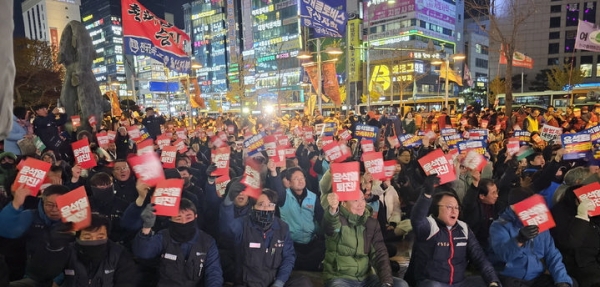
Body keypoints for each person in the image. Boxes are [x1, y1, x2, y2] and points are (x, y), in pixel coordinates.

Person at [407, 176, 500, 287]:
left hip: (459, 282)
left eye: (456, 208)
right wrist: (426, 194)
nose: (454, 211)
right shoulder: (429, 226)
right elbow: (417, 218)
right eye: (449, 207)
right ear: (437, 208)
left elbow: (480, 259)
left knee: (490, 282)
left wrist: (493, 281)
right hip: (434, 282)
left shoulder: (463, 228)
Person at [321, 184, 409, 287]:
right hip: (341, 278)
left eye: (362, 199)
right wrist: (333, 210)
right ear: (344, 203)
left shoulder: (371, 223)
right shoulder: (338, 220)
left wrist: (386, 282)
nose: (361, 204)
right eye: (355, 201)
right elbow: (330, 226)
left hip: (366, 278)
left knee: (401, 284)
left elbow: (380, 253)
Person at [222, 188, 312, 287]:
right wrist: (228, 200)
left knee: (303, 283)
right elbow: (227, 226)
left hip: (273, 282)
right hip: (247, 283)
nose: (266, 209)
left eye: (270, 205)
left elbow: (288, 257)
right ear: (253, 207)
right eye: (261, 204)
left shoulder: (282, 227)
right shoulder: (243, 224)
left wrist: (279, 282)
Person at [489, 187, 575, 287]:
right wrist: (519, 240)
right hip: (511, 276)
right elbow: (503, 255)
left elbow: (552, 253)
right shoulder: (499, 226)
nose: (533, 209)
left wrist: (562, 280)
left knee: (571, 282)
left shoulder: (539, 221)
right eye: (528, 205)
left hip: (536, 276)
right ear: (514, 206)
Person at [24, 214, 139, 287]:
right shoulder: (68, 250)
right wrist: (53, 248)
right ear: (78, 238)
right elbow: (40, 274)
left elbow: (127, 282)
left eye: (100, 237)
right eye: (88, 238)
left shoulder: (118, 254)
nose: (94, 241)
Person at [132, 198, 223, 287]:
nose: (184, 222)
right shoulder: (163, 236)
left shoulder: (207, 242)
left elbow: (213, 273)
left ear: (196, 216)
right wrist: (147, 226)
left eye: (188, 217)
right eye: (178, 218)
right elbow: (143, 252)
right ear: (171, 220)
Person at [269, 165, 325, 271]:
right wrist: (273, 173)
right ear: (289, 183)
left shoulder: (313, 197)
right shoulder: (284, 197)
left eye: (302, 177)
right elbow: (277, 187)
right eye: (296, 179)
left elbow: (321, 218)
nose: (300, 181)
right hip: (291, 244)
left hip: (311, 243)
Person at [551, 185, 600, 287]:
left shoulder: (595, 211)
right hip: (581, 265)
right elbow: (572, 242)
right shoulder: (561, 213)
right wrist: (582, 215)